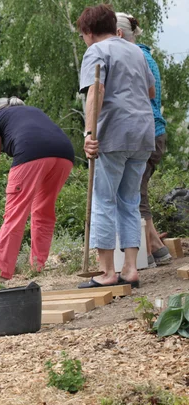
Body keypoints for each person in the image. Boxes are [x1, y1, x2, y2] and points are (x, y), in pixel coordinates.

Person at [76, 4, 156, 289]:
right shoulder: (135, 50)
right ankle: (131, 269)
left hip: (114, 133)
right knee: (130, 202)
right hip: (143, 132)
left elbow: (96, 90)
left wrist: (88, 133)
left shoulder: (96, 51)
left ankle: (108, 272)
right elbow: (151, 91)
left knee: (104, 200)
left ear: (88, 31)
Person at [0, 98, 75, 280]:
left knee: (15, 215)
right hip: (64, 154)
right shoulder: (33, 111)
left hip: (31, 153)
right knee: (43, 211)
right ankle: (37, 266)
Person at [115, 12, 171, 268]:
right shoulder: (144, 56)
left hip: (146, 133)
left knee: (134, 194)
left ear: (118, 34)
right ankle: (154, 250)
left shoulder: (136, 58)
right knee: (138, 193)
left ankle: (152, 250)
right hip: (153, 132)